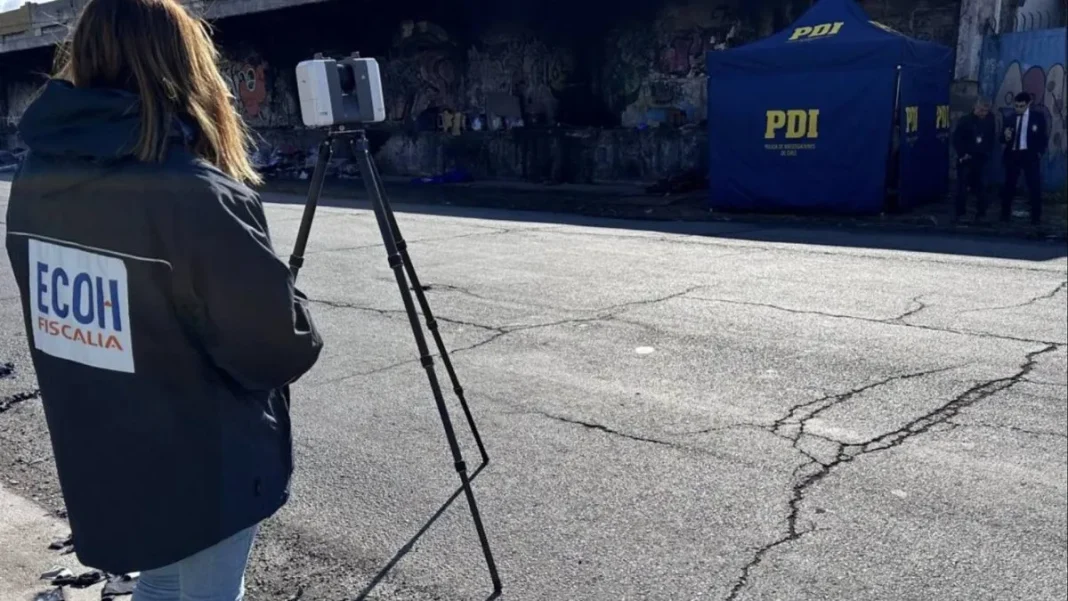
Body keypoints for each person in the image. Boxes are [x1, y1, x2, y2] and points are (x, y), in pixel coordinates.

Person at [3, 0, 324, 599]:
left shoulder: (34, 180)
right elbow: (279, 351)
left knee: (159, 579)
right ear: (187, 65)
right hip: (206, 466)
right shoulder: (194, 193)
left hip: (108, 454)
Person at [1000, 91, 1049, 227]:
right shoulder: (1010, 117)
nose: (1018, 108)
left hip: (1029, 155)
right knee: (1009, 185)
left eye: (1021, 106)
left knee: (1034, 186)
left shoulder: (1037, 118)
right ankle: (1004, 214)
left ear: (1028, 104)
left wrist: (1039, 153)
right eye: (1016, 106)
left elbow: (1043, 137)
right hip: (1013, 154)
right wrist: (1006, 136)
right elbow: (1001, 138)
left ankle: (1036, 216)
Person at [951, 98, 996, 222]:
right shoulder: (965, 121)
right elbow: (957, 139)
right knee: (962, 186)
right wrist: (962, 154)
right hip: (967, 157)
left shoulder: (989, 119)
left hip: (980, 157)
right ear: (975, 108)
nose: (983, 113)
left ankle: (981, 213)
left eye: (986, 111)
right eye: (981, 110)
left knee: (981, 186)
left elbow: (990, 137)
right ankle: (960, 213)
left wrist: (986, 152)